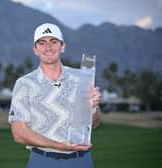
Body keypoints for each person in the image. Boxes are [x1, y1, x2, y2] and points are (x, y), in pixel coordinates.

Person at [9, 23, 101, 168]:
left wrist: (93, 108)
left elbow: (94, 124)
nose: (48, 47)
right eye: (42, 43)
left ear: (62, 46)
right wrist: (59, 146)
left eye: (53, 42)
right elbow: (19, 133)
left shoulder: (81, 78)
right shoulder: (24, 83)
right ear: (35, 49)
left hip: (80, 160)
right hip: (42, 160)